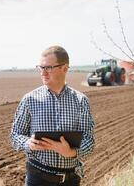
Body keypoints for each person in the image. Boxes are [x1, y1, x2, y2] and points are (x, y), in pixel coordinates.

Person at [10, 45, 95, 186]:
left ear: (65, 68)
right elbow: (15, 135)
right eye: (41, 68)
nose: (43, 73)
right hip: (37, 178)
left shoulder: (81, 101)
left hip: (70, 180)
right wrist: (28, 143)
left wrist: (71, 152)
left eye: (48, 68)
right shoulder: (29, 100)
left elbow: (89, 142)